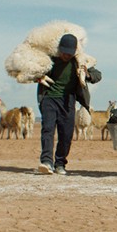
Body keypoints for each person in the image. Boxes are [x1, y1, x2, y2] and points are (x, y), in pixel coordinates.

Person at [36, 33, 101, 175]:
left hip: (68, 100)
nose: (66, 55)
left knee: (66, 134)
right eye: (64, 52)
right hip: (49, 98)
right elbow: (33, 70)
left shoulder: (79, 60)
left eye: (69, 53)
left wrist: (87, 74)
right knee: (47, 129)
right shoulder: (49, 59)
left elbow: (98, 75)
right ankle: (46, 161)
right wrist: (37, 76)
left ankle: (60, 163)